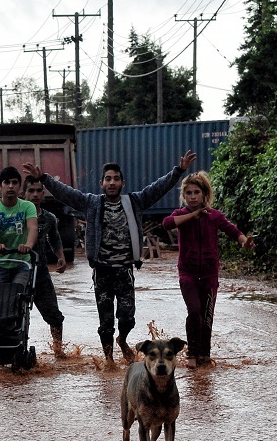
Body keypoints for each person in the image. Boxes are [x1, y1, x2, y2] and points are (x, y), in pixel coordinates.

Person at [22, 150, 197, 367]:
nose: (112, 183)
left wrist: (178, 171)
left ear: (123, 182)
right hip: (102, 272)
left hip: (124, 271)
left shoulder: (135, 201)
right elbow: (66, 193)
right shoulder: (92, 203)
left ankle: (122, 340)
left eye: (116, 179)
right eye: (108, 179)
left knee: (127, 318)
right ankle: (109, 360)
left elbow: (158, 188)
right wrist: (44, 179)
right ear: (101, 183)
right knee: (105, 322)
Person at [162, 171, 255, 368]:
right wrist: (193, 215)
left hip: (210, 275)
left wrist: (245, 242)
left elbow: (232, 230)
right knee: (194, 311)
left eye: (197, 192)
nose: (193, 196)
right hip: (187, 273)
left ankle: (205, 354)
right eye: (189, 193)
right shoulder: (180, 215)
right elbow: (166, 224)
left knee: (207, 316)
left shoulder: (214, 216)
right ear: (184, 195)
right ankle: (192, 353)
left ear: (204, 194)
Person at [23, 176, 67, 359]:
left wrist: (61, 258)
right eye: (31, 191)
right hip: (16, 271)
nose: (35, 195)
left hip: (40, 274)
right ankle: (16, 349)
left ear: (43, 194)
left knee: (55, 316)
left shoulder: (49, 218)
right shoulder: (16, 216)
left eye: (38, 191)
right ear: (23, 193)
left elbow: (54, 238)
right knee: (13, 316)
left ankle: (58, 351)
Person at [0, 166, 38, 286]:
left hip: (22, 262)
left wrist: (28, 245)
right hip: (0, 263)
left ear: (20, 186)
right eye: (7, 182)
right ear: (0, 186)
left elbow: (33, 228)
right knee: (1, 299)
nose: (11, 186)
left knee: (18, 294)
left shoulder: (28, 206)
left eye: (14, 183)